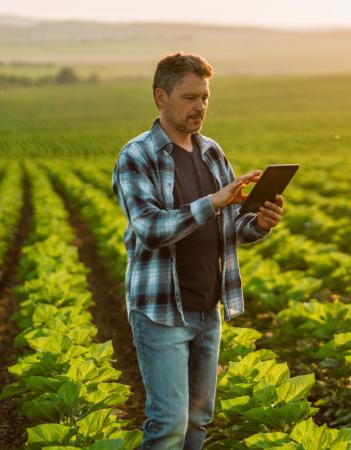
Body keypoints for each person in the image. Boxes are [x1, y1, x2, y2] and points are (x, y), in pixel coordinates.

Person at [111, 51, 284, 449]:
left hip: (208, 308)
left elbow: (229, 227)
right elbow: (150, 229)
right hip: (161, 311)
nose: (200, 107)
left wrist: (259, 223)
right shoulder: (137, 157)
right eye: (190, 97)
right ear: (161, 97)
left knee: (197, 423)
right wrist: (213, 202)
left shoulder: (211, 152)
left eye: (204, 97)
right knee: (169, 423)